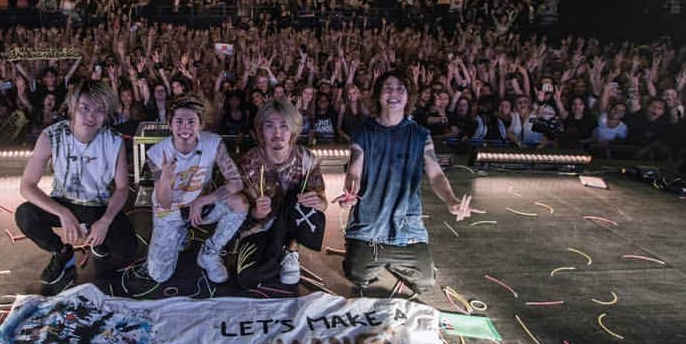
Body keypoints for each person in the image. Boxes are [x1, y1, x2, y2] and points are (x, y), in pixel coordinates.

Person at [339, 70, 480, 295]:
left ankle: (394, 258)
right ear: (378, 94)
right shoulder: (363, 132)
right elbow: (354, 170)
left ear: (407, 96)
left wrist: (451, 200)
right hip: (369, 226)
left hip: (406, 226)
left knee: (425, 281)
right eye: (388, 88)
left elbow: (436, 175)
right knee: (357, 274)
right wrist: (350, 193)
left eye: (400, 89)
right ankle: (377, 257)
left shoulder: (420, 134)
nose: (393, 94)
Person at [15, 80, 137, 294]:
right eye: (85, 108)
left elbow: (122, 188)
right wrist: (62, 213)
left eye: (100, 110)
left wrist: (105, 221)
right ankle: (61, 252)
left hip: (97, 204)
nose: (91, 116)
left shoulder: (113, 140)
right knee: (25, 214)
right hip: (63, 200)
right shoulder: (51, 136)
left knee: (128, 250)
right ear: (73, 107)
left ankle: (99, 243)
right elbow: (27, 186)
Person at [145, 95, 247, 284]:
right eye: (179, 121)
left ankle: (210, 252)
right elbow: (164, 202)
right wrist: (166, 179)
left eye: (191, 121)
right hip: (170, 210)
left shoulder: (214, 143)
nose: (185, 127)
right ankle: (180, 233)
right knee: (159, 275)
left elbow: (236, 182)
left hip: (200, 206)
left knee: (239, 203)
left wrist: (201, 201)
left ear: (200, 124)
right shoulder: (157, 153)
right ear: (169, 123)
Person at [235, 99, 328, 288]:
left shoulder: (306, 159)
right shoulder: (248, 162)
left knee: (300, 196)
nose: (277, 133)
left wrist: (317, 202)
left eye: (284, 126)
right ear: (260, 130)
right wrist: (256, 213)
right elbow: (237, 213)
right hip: (260, 227)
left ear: (293, 130)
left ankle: (290, 250)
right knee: (245, 278)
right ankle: (274, 257)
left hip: (290, 224)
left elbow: (323, 203)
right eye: (270, 126)